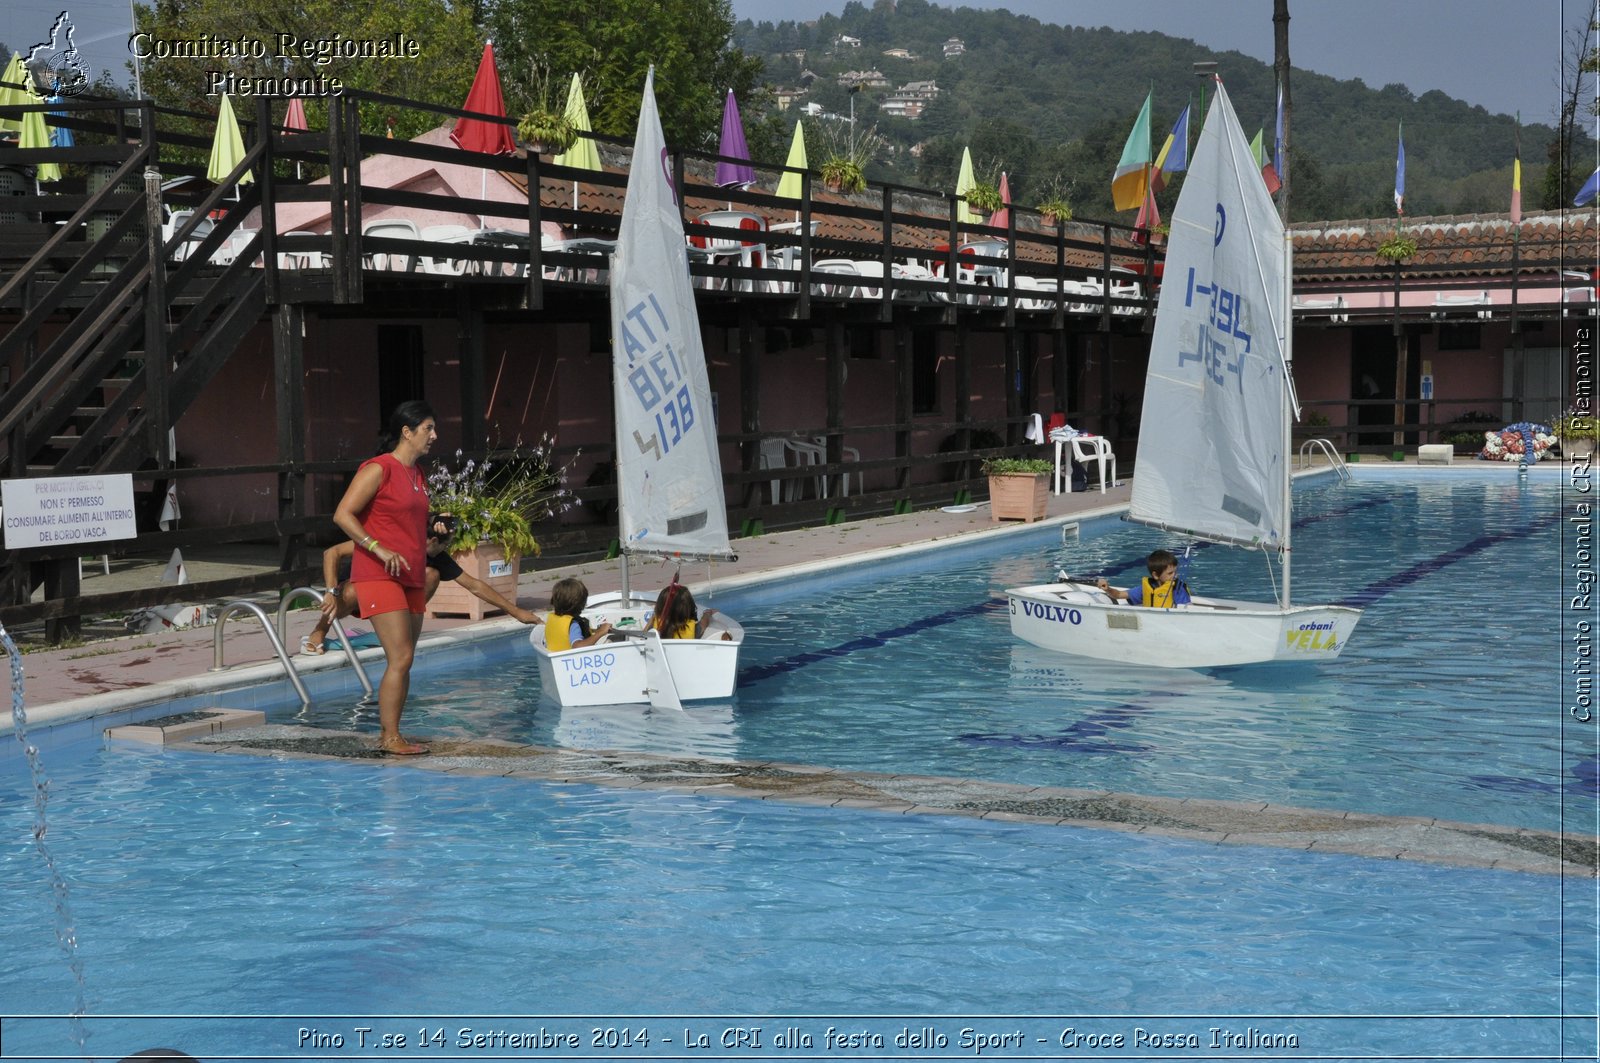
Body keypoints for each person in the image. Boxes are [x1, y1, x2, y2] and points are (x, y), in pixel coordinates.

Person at [332, 400, 435, 756]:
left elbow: (407, 525)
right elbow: (343, 514)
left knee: (406, 659)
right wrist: (376, 547)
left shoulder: (418, 475)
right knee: (401, 657)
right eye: (428, 429)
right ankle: (389, 737)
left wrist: (436, 537)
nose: (434, 436)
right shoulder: (379, 468)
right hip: (378, 573)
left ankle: (395, 733)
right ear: (406, 432)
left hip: (411, 575)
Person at [302, 521, 541, 655]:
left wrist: (516, 612)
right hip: (356, 591)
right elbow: (331, 553)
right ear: (434, 541)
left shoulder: (435, 557)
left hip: (390, 599)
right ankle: (318, 632)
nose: (450, 550)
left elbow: (474, 585)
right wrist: (331, 591)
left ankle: (402, 631)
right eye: (448, 544)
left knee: (432, 575)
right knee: (353, 591)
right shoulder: (392, 539)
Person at [1097, 548, 1192, 608]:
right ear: (1155, 575)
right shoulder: (1146, 588)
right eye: (1170, 573)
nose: (1175, 575)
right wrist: (1107, 589)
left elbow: (1186, 611)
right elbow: (1118, 595)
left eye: (1175, 572)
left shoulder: (1178, 589)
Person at [651, 578, 733, 640]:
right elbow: (704, 623)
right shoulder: (692, 629)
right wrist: (707, 613)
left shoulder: (656, 626)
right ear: (689, 608)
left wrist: (655, 616)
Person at [543, 577, 613, 650]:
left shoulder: (552, 619)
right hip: (571, 659)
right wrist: (601, 632)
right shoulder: (573, 625)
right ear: (580, 604)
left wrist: (596, 631)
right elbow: (578, 646)